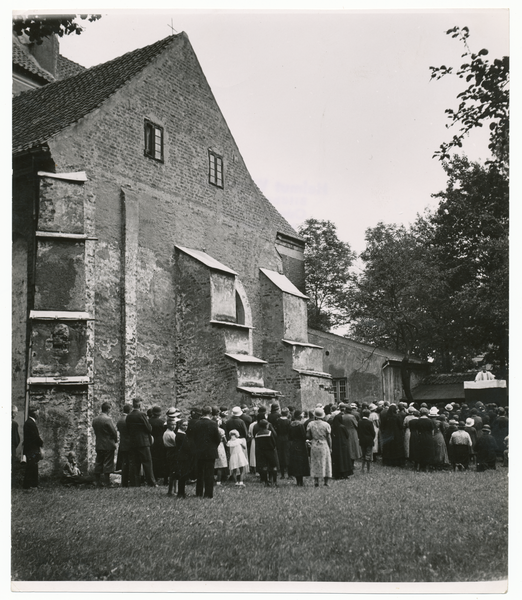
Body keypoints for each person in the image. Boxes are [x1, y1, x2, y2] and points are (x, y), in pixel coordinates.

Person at [191, 405, 222, 498]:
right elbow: (217, 438)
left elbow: (194, 438)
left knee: (200, 472)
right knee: (209, 473)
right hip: (210, 451)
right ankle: (208, 493)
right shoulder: (213, 424)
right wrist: (213, 446)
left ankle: (199, 492)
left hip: (199, 451)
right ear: (210, 413)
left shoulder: (196, 423)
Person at [126, 400, 158, 487]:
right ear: (139, 405)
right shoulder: (142, 415)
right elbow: (149, 428)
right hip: (143, 442)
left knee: (135, 463)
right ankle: (151, 482)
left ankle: (135, 483)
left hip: (133, 442)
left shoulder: (129, 416)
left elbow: (128, 429)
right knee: (147, 462)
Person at [92, 401, 119, 488]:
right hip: (108, 444)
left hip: (99, 443)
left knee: (99, 462)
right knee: (108, 463)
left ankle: (97, 481)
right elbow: (113, 432)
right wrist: (115, 440)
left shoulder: (95, 419)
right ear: (108, 409)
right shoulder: (108, 419)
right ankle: (107, 482)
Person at [307, 407, 332, 487]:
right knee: (326, 461)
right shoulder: (326, 425)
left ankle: (316, 481)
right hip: (323, 443)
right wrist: (330, 446)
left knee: (315, 462)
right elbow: (329, 437)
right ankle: (326, 481)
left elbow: (308, 435)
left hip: (314, 443)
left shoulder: (310, 424)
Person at [22, 406, 44, 490]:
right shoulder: (30, 423)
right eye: (37, 412)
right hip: (31, 449)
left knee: (33, 466)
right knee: (31, 467)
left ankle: (33, 485)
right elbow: (35, 437)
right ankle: (28, 486)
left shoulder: (30, 422)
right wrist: (41, 442)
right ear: (34, 413)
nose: (38, 414)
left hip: (32, 448)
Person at [287, 410, 310, 486]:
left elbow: (289, 436)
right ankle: (301, 480)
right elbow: (304, 436)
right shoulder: (300, 425)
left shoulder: (291, 425)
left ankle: (297, 480)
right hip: (300, 444)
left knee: (295, 462)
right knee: (301, 462)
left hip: (293, 444)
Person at [255, 419, 280, 487]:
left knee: (264, 466)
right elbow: (274, 442)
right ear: (266, 425)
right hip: (270, 451)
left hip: (262, 452)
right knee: (274, 466)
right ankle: (274, 481)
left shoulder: (257, 434)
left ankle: (266, 482)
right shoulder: (269, 433)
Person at [149, 406, 168, 485]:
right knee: (161, 459)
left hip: (151, 441)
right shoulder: (162, 422)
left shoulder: (148, 421)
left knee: (152, 459)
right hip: (160, 442)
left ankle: (154, 476)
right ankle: (161, 476)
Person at [330, 413, 352, 479]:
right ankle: (345, 473)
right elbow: (347, 435)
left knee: (337, 459)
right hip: (343, 444)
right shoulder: (342, 427)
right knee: (344, 459)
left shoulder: (332, 426)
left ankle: (337, 474)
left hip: (335, 445)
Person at [116, 404, 132, 487]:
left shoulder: (120, 420)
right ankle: (129, 481)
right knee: (129, 463)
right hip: (129, 443)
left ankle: (124, 481)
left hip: (123, 443)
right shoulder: (128, 420)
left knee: (124, 463)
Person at [275, 408, 291, 478]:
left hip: (279, 439)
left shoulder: (277, 420)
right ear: (287, 413)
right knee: (287, 455)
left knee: (280, 455)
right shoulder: (288, 421)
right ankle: (289, 474)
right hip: (286, 439)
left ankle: (282, 474)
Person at [358, 409, 376, 474]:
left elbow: (358, 431)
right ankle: (368, 470)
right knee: (368, 455)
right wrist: (372, 438)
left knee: (363, 454)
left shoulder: (359, 422)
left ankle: (362, 468)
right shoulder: (370, 422)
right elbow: (373, 433)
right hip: (369, 440)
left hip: (362, 440)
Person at [12, 406, 21, 486]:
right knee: (12, 465)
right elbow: (16, 439)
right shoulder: (14, 424)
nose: (16, 414)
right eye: (15, 412)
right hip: (11, 447)